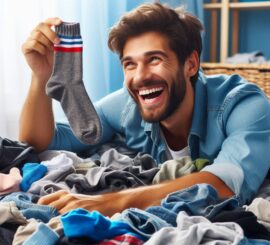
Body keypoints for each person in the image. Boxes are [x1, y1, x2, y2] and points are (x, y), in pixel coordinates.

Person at [19, 3, 270, 216]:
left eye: (155, 59)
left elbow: (226, 183)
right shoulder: (127, 106)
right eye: (130, 64)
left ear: (191, 64)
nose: (140, 77)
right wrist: (40, 78)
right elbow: (42, 142)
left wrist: (110, 201)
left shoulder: (244, 104)